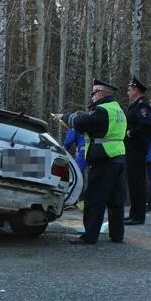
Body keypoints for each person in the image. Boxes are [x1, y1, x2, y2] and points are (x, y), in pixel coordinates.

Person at [51, 80, 126, 245]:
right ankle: (117, 235)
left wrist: (63, 117)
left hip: (104, 158)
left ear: (101, 92)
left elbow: (81, 122)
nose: (92, 97)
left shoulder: (102, 111)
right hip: (117, 157)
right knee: (115, 200)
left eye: (93, 93)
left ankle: (90, 236)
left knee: (94, 198)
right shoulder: (118, 109)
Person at [124, 77, 151, 225]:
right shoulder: (136, 105)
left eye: (130, 89)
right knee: (133, 181)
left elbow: (148, 124)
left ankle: (138, 216)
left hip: (137, 148)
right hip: (132, 148)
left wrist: (131, 133)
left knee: (137, 181)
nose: (128, 92)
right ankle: (133, 213)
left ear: (136, 90)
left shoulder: (142, 105)